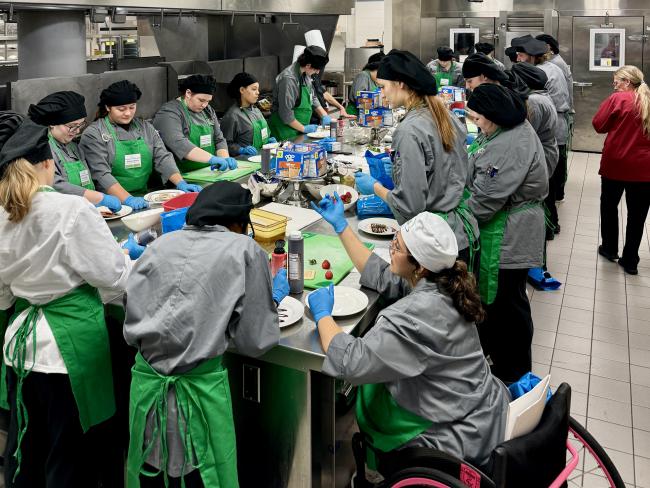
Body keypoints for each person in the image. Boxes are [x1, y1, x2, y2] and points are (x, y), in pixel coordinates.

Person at [307, 205, 508, 471]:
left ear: (420, 266)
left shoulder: (413, 318)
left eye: (397, 247)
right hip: (480, 406)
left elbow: (350, 362)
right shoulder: (443, 282)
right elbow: (381, 274)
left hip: (455, 433)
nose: (391, 249)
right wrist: (341, 227)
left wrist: (322, 315)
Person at [0, 117, 142, 488]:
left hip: (21, 352)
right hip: (70, 353)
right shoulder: (71, 210)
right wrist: (128, 256)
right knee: (72, 457)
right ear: (49, 162)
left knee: (28, 452)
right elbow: (114, 278)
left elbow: (3, 296)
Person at [124, 181, 287, 487]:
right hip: (197, 398)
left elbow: (133, 311)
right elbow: (257, 341)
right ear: (239, 223)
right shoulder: (244, 249)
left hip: (145, 393)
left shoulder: (159, 245)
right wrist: (272, 299)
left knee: (152, 474)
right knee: (200, 473)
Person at [354, 50, 478, 265]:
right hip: (458, 234)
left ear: (400, 84)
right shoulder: (445, 114)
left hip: (433, 242)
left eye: (383, 87)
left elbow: (410, 206)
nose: (381, 94)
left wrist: (375, 187)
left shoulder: (409, 130)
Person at [465, 83, 548, 382]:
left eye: (477, 119)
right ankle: (499, 366)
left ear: (492, 115)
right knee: (504, 300)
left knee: (508, 303)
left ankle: (515, 375)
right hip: (511, 223)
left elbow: (484, 203)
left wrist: (449, 220)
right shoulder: (506, 129)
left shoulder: (508, 144)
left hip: (510, 232)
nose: (476, 125)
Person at [80, 80, 202, 211]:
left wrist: (180, 182)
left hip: (144, 197)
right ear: (108, 107)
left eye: (132, 107)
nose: (127, 113)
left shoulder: (145, 127)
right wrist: (128, 199)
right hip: (111, 204)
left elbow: (162, 157)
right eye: (121, 109)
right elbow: (101, 174)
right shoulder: (94, 133)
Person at [593, 66, 650, 275]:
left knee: (609, 206)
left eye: (616, 80)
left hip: (616, 164)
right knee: (638, 215)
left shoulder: (619, 99)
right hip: (645, 168)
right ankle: (630, 260)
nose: (614, 84)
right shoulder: (647, 100)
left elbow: (599, 125)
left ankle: (609, 248)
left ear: (627, 82)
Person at [27, 91, 122, 213]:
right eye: (72, 126)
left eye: (80, 125)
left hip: (84, 212)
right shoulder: (41, 149)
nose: (77, 131)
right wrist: (99, 198)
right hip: (61, 215)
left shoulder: (74, 147)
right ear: (52, 123)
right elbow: (53, 184)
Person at [516, 37, 570, 236]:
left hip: (547, 131)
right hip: (553, 129)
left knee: (544, 185)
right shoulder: (552, 67)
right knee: (548, 183)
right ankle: (551, 223)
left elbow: (537, 112)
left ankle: (549, 225)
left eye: (521, 55)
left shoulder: (543, 73)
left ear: (532, 57)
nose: (518, 59)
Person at [153, 74, 236, 173]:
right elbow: (179, 143)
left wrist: (224, 159)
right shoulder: (169, 113)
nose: (204, 105)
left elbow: (219, 139)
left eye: (208, 101)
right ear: (188, 93)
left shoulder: (208, 111)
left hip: (208, 172)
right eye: (201, 100)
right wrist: (212, 159)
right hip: (182, 175)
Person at [536, 34, 574, 200]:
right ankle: (558, 192)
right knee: (558, 157)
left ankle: (558, 192)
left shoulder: (554, 64)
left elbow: (558, 98)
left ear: (548, 47)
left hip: (557, 117)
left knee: (558, 159)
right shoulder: (555, 62)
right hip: (559, 116)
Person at [269, 45, 331, 140]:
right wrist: (303, 128)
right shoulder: (288, 79)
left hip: (298, 127)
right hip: (284, 129)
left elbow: (312, 96)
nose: (318, 72)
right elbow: (286, 114)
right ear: (308, 65)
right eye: (316, 69)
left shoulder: (305, 74)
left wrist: (324, 115)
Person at [220, 72, 277, 157]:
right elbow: (223, 144)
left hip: (262, 156)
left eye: (258, 89)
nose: (258, 92)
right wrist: (240, 150)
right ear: (242, 90)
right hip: (245, 161)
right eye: (254, 89)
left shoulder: (256, 110)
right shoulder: (232, 116)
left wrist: (268, 140)